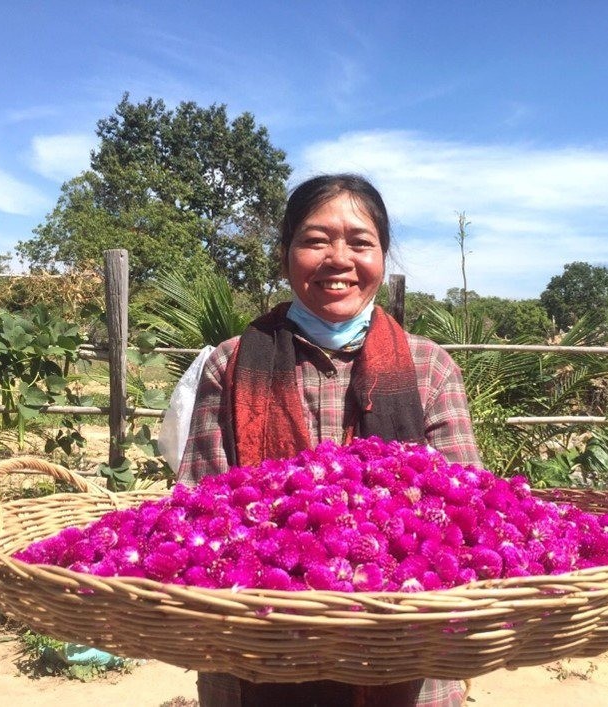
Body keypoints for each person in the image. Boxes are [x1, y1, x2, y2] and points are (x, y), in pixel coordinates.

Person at [178, 173, 481, 707]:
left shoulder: (428, 367)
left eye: (360, 242)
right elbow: (197, 507)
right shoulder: (231, 364)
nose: (338, 259)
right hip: (256, 646)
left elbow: (467, 517)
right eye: (315, 240)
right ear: (286, 254)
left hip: (406, 648)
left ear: (383, 257)